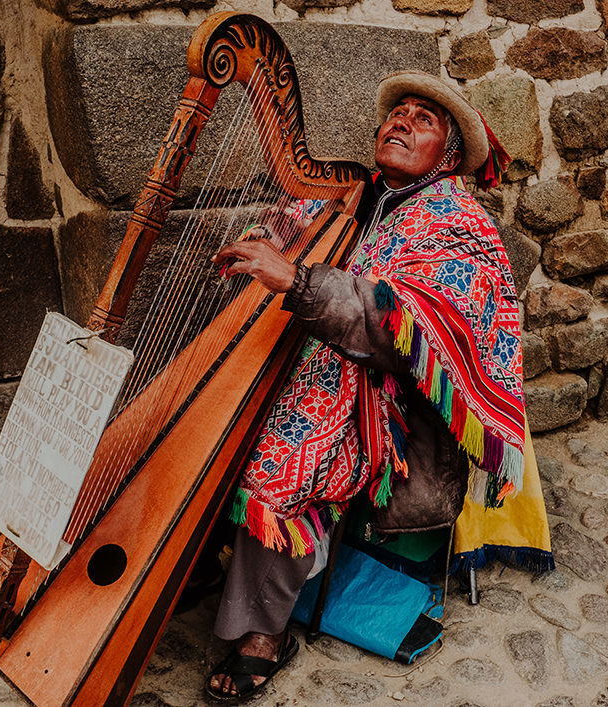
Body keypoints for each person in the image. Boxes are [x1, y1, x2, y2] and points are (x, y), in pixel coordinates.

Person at [205, 71, 536, 700]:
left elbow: (395, 328)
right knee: (219, 417)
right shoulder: (356, 192)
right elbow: (289, 237)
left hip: (398, 409)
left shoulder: (461, 227)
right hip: (312, 359)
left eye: (424, 120)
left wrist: (296, 281)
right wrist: (262, 246)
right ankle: (208, 563)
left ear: (452, 156)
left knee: (287, 452)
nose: (402, 122)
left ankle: (261, 637)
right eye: (398, 112)